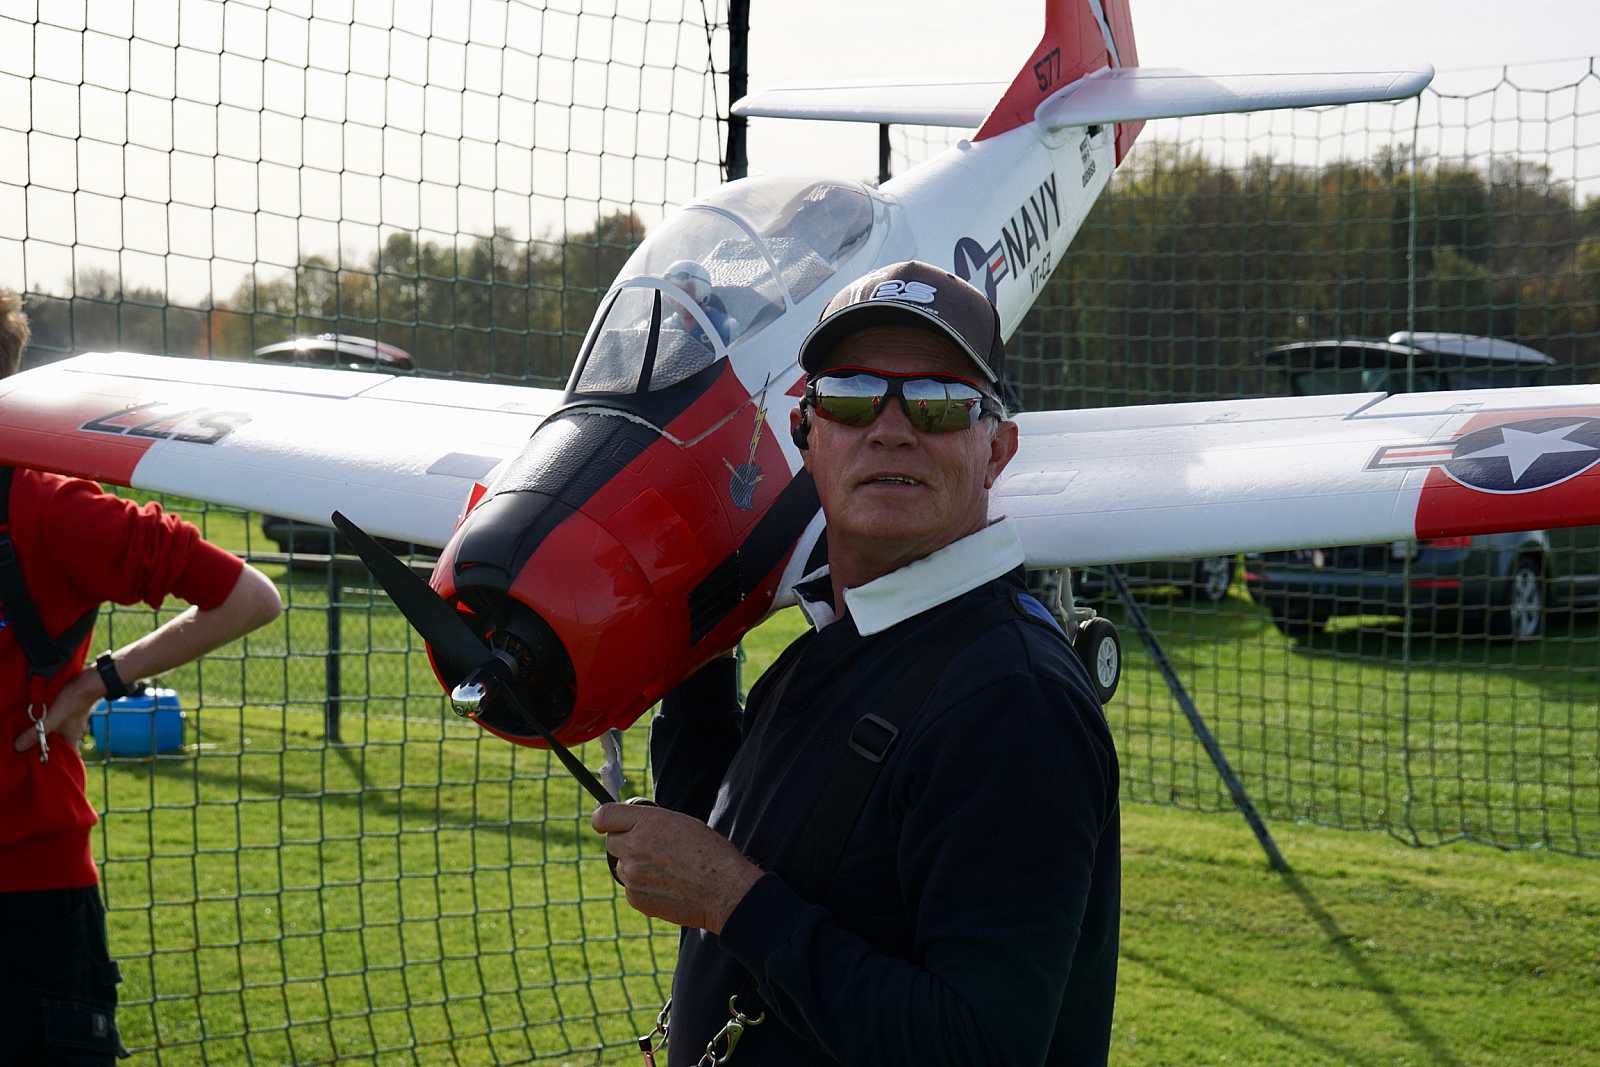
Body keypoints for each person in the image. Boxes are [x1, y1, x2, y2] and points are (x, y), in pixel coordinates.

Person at [594, 262, 1120, 1065]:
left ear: (997, 450)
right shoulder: (836, 642)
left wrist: (730, 898)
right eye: (851, 396)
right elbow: (751, 844)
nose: (891, 428)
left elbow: (977, 1045)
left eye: (940, 403)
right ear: (806, 434)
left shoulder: (1016, 701)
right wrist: (698, 654)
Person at [0, 288, 284, 1064]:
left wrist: (98, 680)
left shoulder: (53, 507)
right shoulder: (51, 505)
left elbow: (249, 596)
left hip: (29, 896)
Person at [664, 259, 738, 346]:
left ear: (702, 292)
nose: (679, 300)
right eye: (673, 293)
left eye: (685, 292)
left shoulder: (726, 326)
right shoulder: (668, 327)